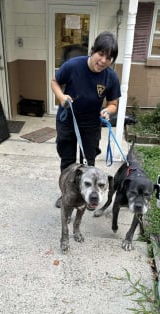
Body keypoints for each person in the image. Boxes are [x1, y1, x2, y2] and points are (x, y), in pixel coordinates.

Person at [51, 31, 121, 208]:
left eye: (109, 57)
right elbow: (54, 82)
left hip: (91, 125)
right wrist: (61, 96)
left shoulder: (110, 77)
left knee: (88, 164)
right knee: (67, 162)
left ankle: (86, 195)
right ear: (93, 51)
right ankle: (66, 194)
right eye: (101, 54)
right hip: (67, 121)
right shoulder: (73, 65)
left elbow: (113, 103)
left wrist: (108, 111)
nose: (104, 60)